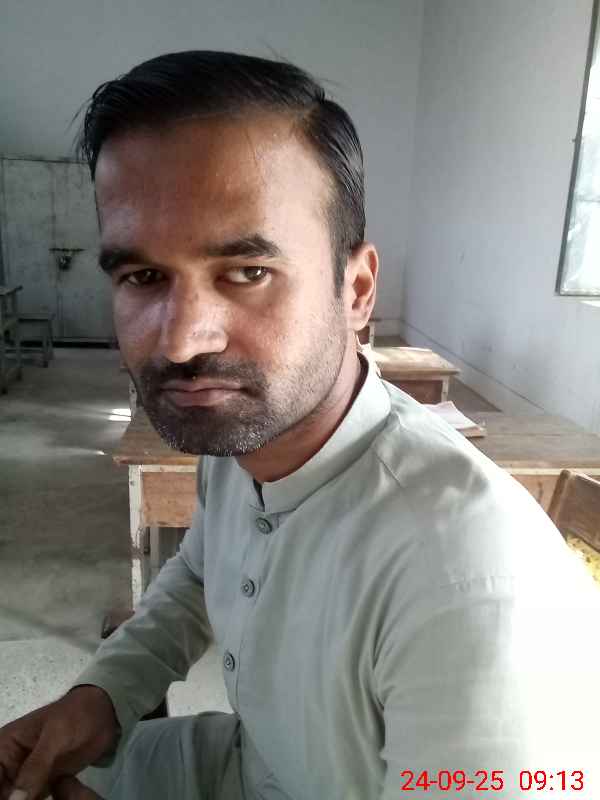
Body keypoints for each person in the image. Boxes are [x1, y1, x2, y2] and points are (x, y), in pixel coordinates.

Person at [1, 51, 599, 800]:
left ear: (357, 290)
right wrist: (105, 694)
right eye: (143, 277)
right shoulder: (243, 439)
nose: (181, 342)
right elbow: (195, 576)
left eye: (247, 272)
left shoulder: (470, 583)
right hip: (246, 764)